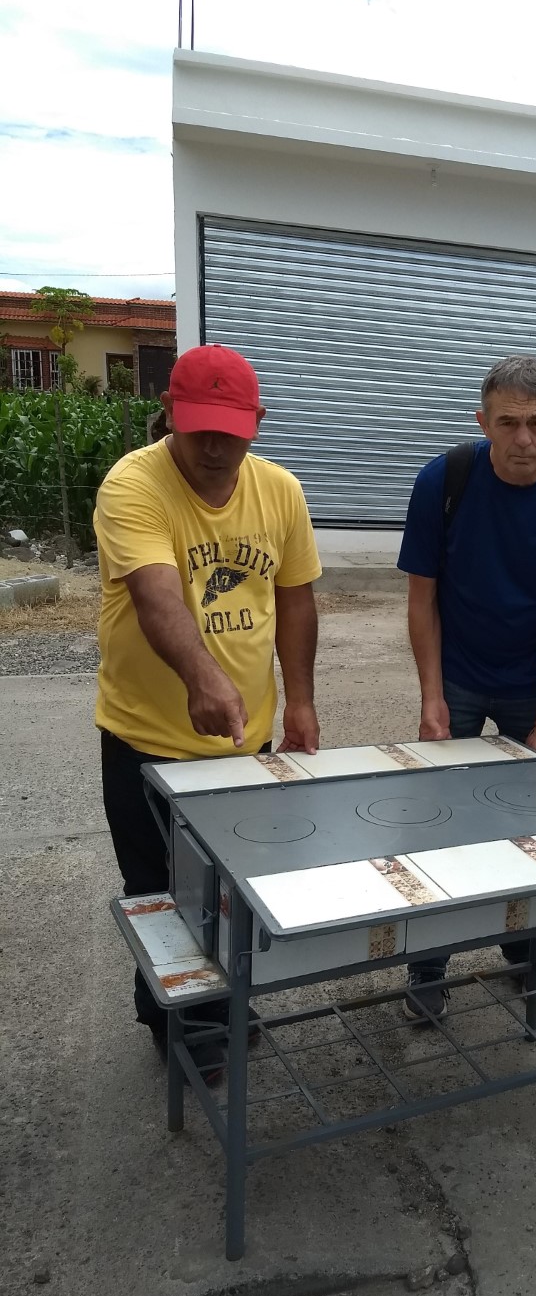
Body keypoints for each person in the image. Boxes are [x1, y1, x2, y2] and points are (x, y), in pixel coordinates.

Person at [95, 344, 323, 1074]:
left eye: (232, 428)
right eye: (200, 429)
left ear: (257, 420)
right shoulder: (133, 483)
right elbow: (156, 591)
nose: (217, 445)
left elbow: (294, 598)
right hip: (145, 738)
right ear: (169, 415)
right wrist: (201, 674)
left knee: (229, 890)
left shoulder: (280, 490)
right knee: (159, 891)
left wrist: (302, 703)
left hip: (242, 740)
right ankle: (169, 1018)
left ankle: (220, 999)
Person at [397, 354, 536, 1020]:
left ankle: (528, 959)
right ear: (482, 421)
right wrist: (432, 698)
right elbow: (421, 599)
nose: (523, 439)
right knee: (438, 826)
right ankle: (426, 970)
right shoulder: (444, 481)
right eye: (508, 423)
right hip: (455, 678)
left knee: (531, 834)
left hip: (528, 686)